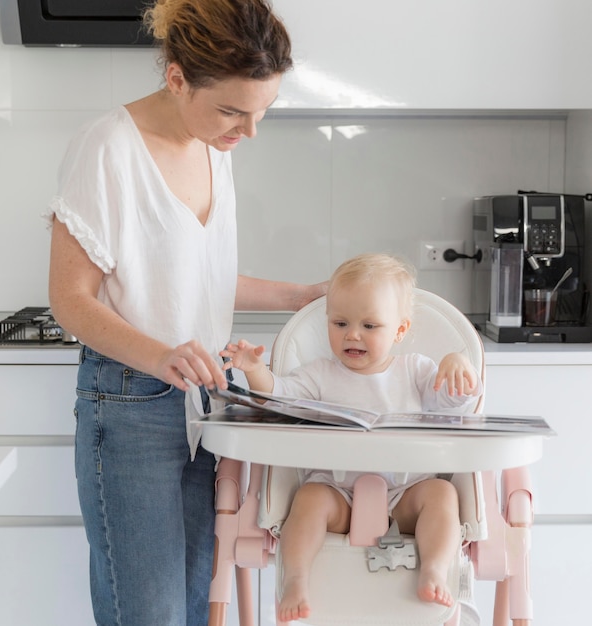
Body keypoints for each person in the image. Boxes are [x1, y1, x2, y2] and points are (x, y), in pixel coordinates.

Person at [45, 1, 326, 624]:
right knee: (149, 613)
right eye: (232, 110)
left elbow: (200, 280)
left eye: (261, 112)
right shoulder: (108, 148)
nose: (247, 131)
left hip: (207, 403)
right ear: (176, 78)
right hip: (130, 404)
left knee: (200, 606)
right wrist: (162, 355)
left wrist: (301, 295)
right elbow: (69, 300)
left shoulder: (212, 145)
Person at [221, 252, 483, 622]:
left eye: (370, 325)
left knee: (442, 494)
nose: (352, 334)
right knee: (308, 499)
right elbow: (277, 397)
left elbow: (454, 409)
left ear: (400, 330)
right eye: (340, 322)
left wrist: (458, 364)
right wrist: (254, 371)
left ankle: (437, 569)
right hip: (337, 494)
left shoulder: (418, 370)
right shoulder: (320, 374)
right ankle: (296, 578)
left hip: (408, 494)